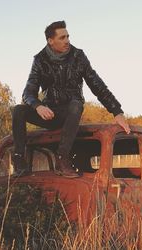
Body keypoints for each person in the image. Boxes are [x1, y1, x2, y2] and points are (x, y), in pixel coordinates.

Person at [12, 20, 130, 178]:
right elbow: (28, 92)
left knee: (75, 104)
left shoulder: (78, 56)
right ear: (50, 41)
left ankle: (62, 158)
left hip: (70, 113)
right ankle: (19, 159)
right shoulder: (40, 60)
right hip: (49, 114)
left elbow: (97, 85)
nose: (67, 40)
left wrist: (117, 111)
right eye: (62, 37)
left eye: (68, 36)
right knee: (18, 110)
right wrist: (38, 106)